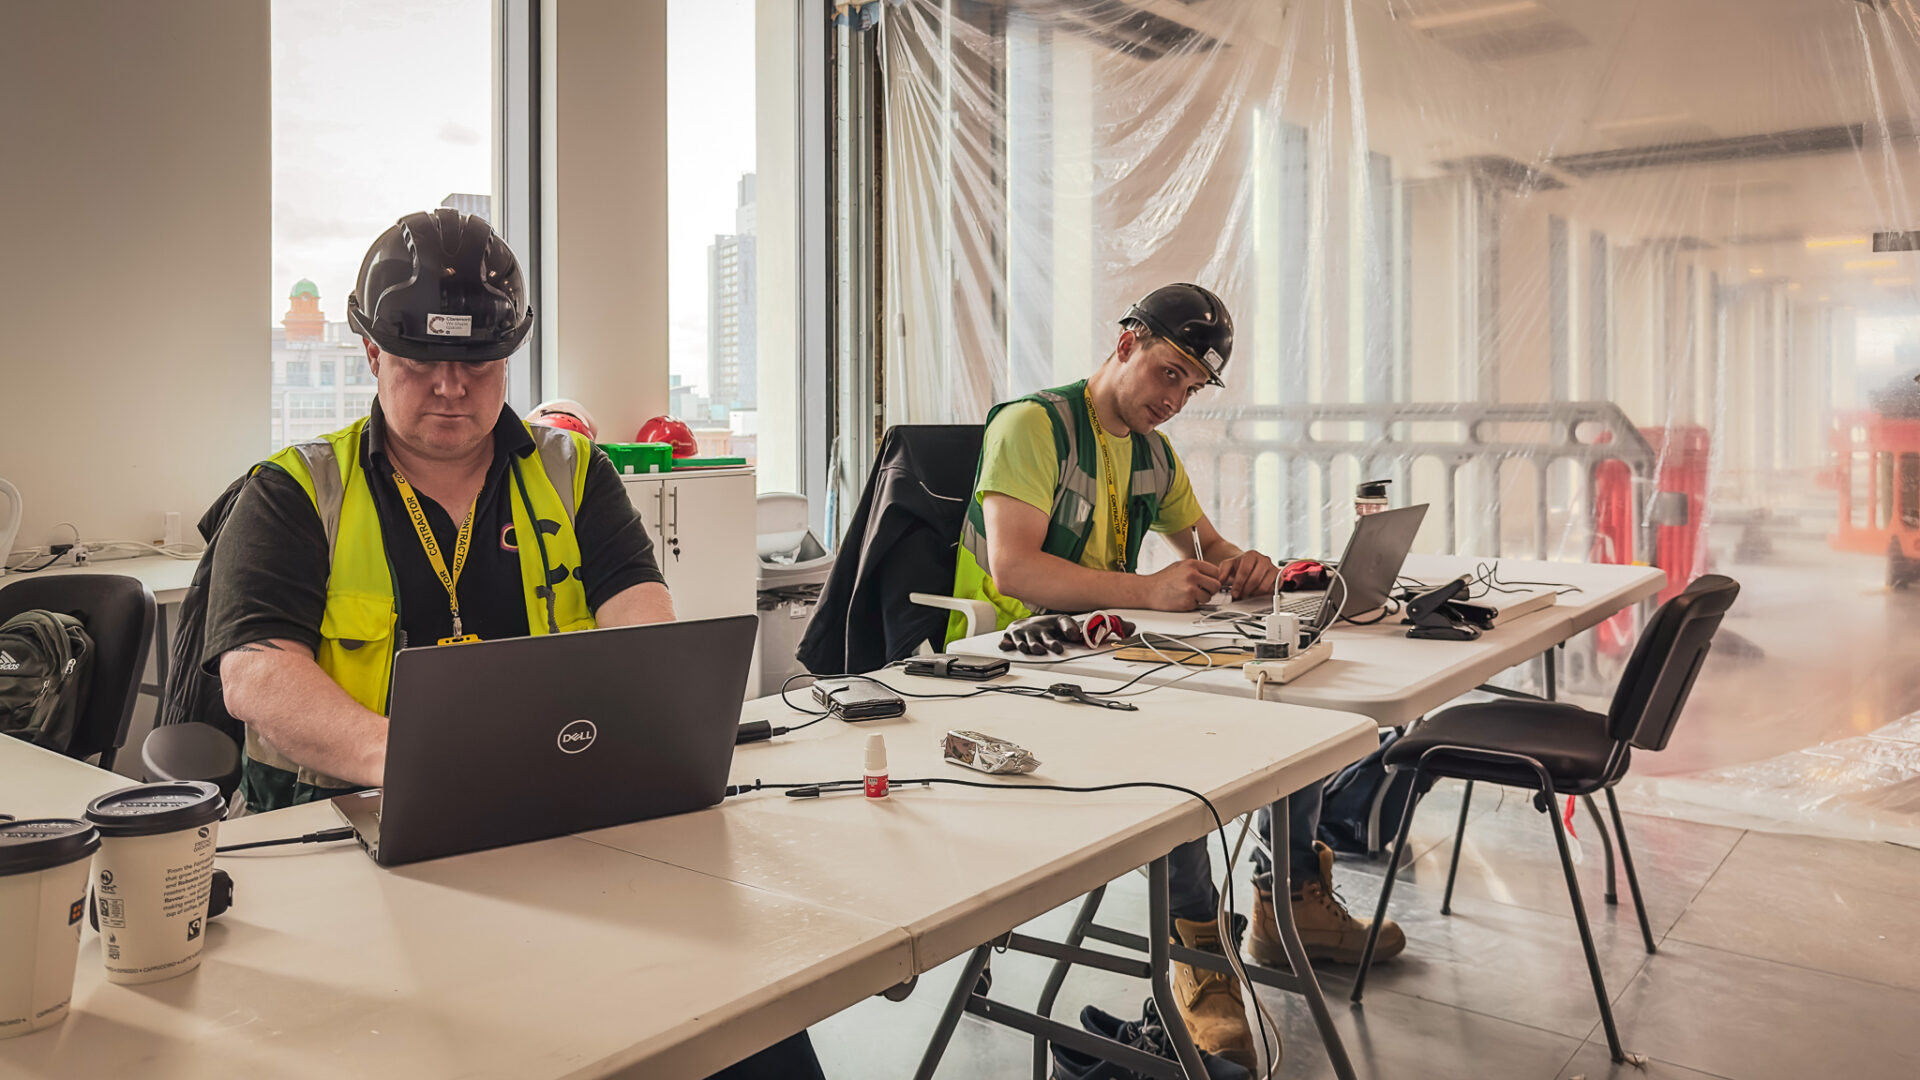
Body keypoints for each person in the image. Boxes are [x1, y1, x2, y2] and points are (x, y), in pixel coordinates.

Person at [204, 208, 823, 1080]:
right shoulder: (296, 490)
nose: (452, 389)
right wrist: (417, 761)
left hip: (554, 816)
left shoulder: (573, 472)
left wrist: (652, 725)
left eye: (479, 365)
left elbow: (642, 616)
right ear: (374, 354)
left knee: (745, 1021)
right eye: (422, 363)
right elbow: (256, 675)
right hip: (347, 833)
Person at [948, 283, 1404, 1068]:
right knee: (1177, 760)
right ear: (1125, 343)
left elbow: (1207, 545)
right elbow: (1015, 568)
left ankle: (1287, 897)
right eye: (1169, 374)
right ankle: (1197, 949)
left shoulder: (1151, 452)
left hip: (1102, 650)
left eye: (1192, 388)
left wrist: (1247, 567)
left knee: (1293, 706)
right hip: (1010, 666)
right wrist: (1150, 591)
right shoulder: (1034, 427)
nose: (1176, 400)